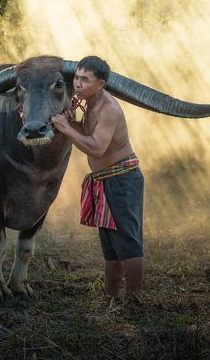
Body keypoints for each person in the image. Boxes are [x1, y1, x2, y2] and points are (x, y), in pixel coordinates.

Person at [50, 56, 145, 304]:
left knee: (128, 242)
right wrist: (71, 122)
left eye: (85, 80)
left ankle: (135, 300)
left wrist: (65, 128)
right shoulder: (89, 104)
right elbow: (85, 134)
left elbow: (96, 148)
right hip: (104, 180)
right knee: (111, 247)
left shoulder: (109, 109)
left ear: (101, 84)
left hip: (122, 179)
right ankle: (111, 297)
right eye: (76, 78)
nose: (78, 84)